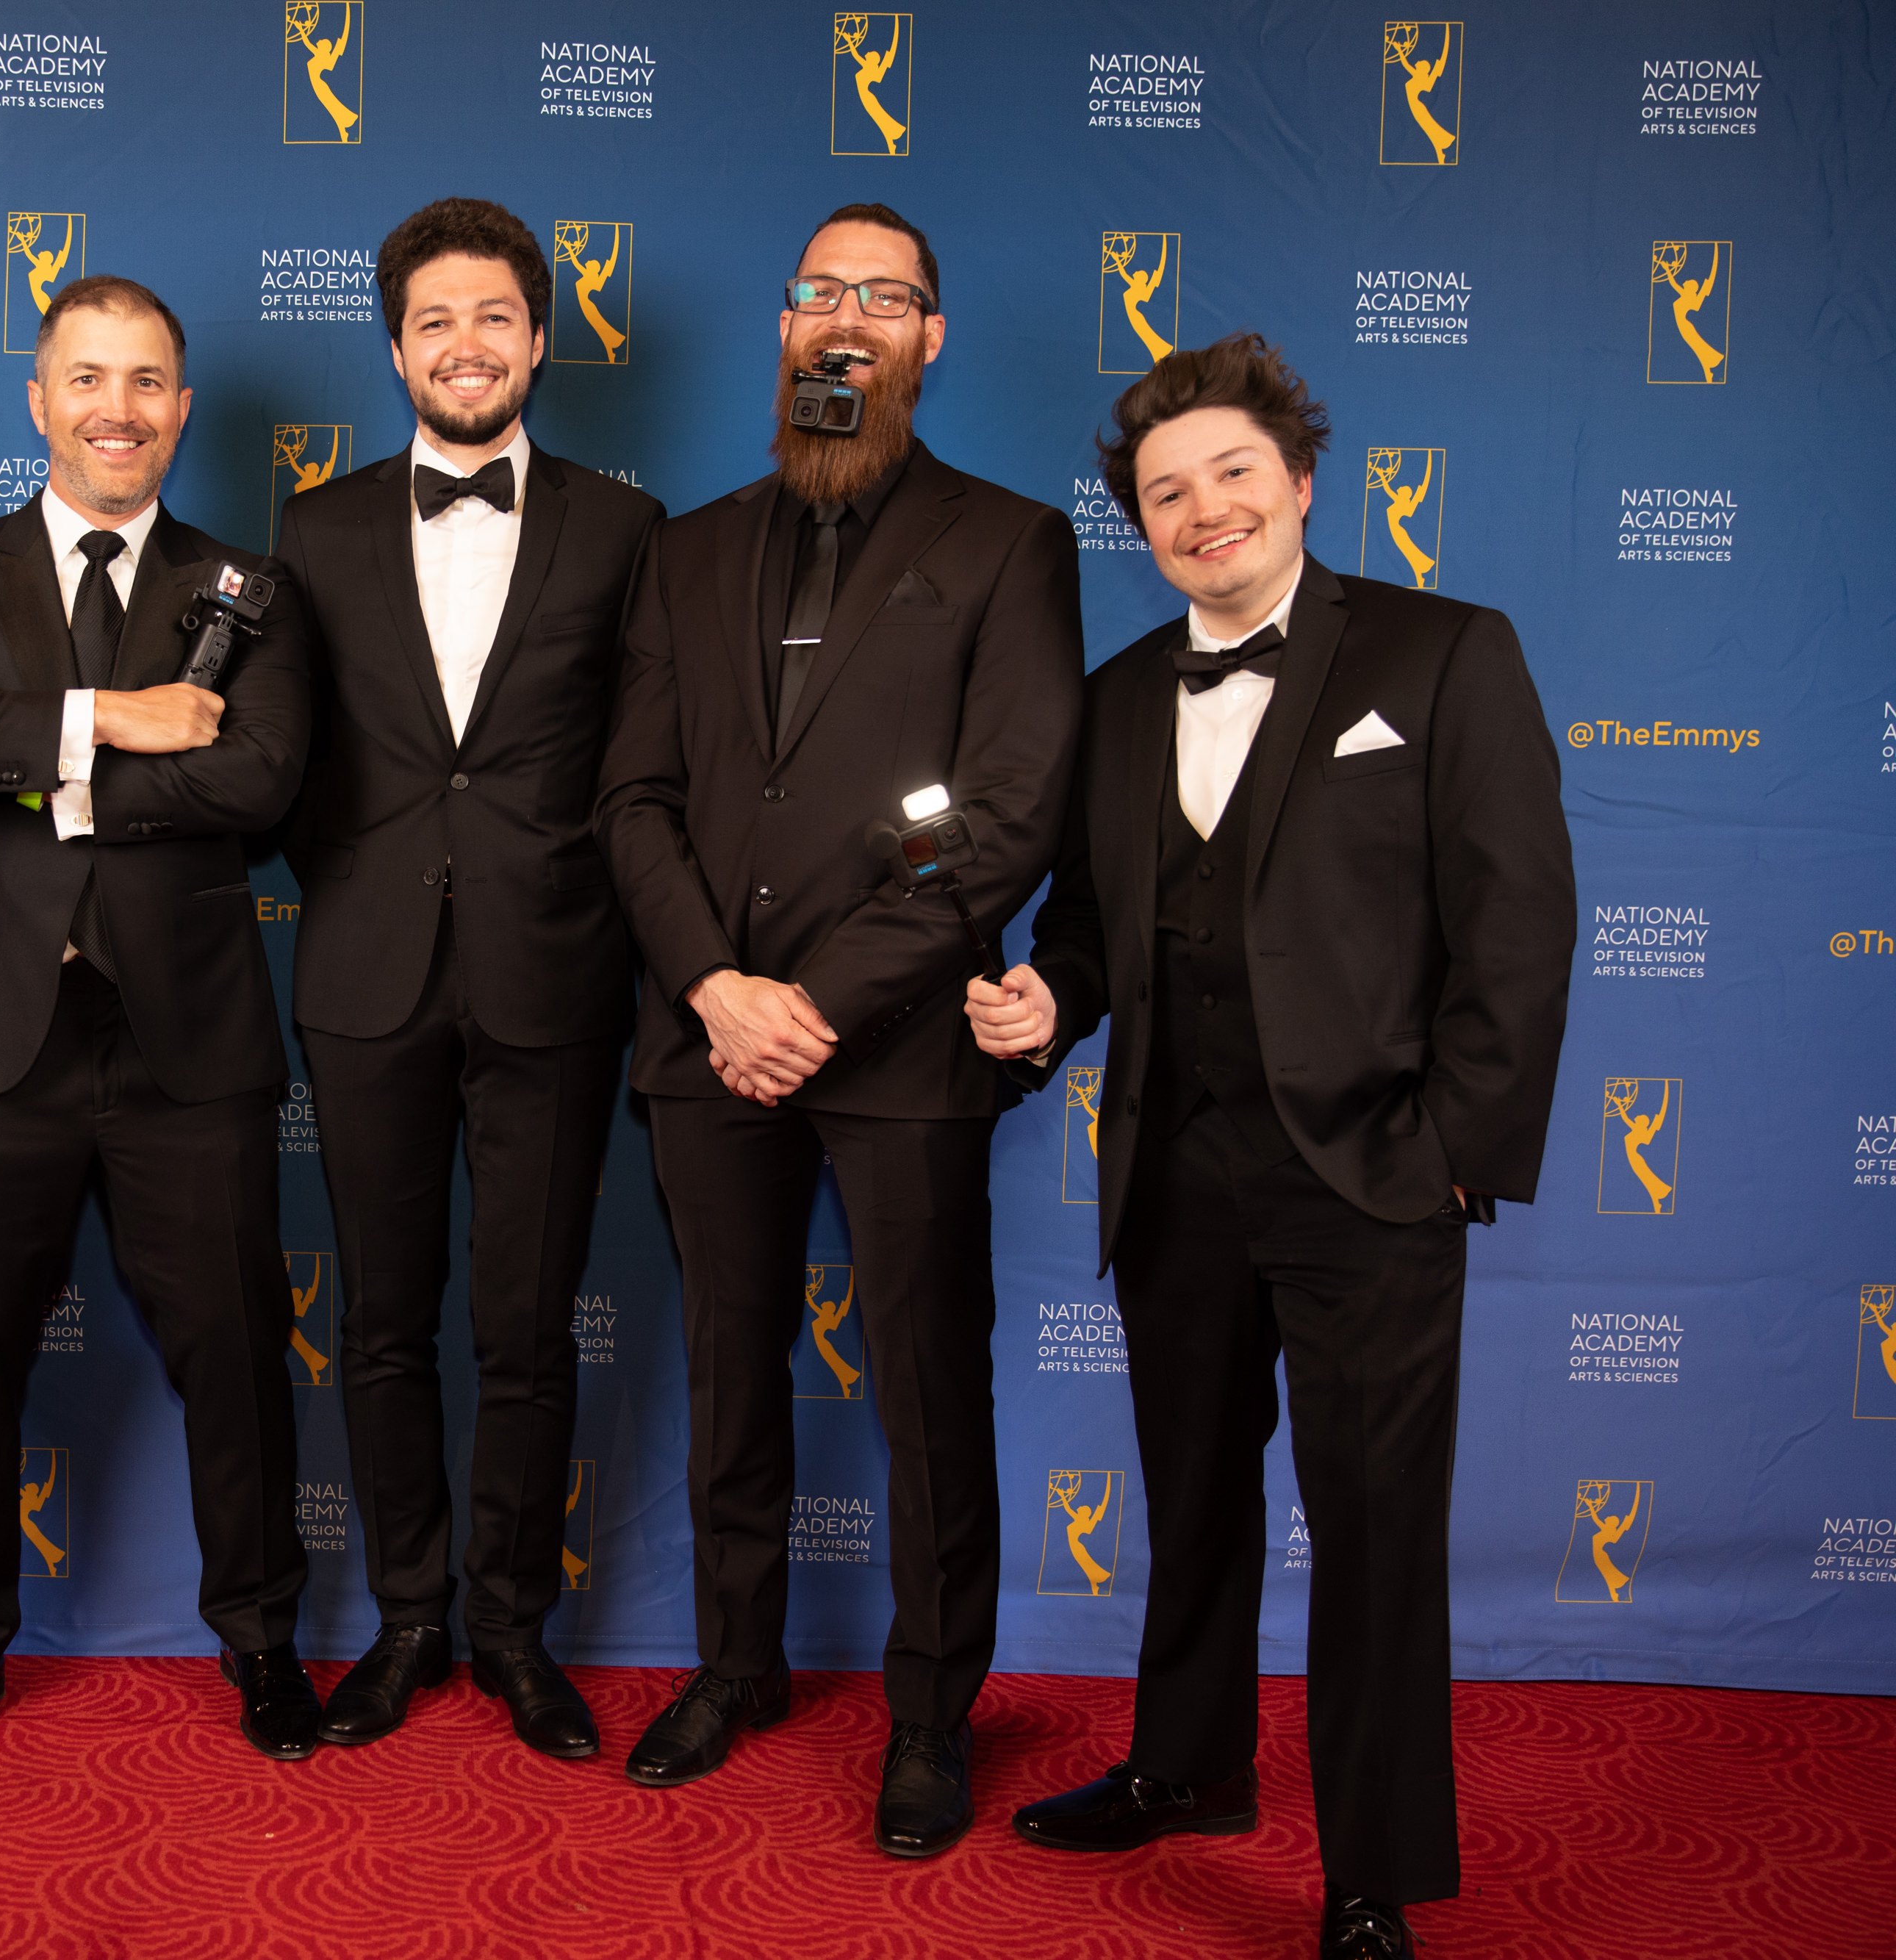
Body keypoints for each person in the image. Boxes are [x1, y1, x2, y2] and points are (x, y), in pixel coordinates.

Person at [965, 332, 1575, 1959]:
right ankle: (1186, 1766)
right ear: (1142, 529)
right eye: (1166, 493)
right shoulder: (1114, 698)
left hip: (1371, 1171)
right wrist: (1049, 999)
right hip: (1173, 1170)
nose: (1202, 510)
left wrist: (1456, 1150)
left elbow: (1517, 921)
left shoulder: (1444, 651)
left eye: (1232, 472)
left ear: (1301, 481)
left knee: (1372, 1531)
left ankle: (1371, 1869)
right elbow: (1091, 921)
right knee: (1192, 1499)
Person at [593, 203, 1083, 1854]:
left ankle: (932, 1712)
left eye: (884, 295)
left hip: (902, 1044)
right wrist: (714, 988)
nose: (847, 318)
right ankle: (736, 1664)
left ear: (929, 336)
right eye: (820, 292)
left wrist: (817, 999)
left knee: (930, 1391)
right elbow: (634, 799)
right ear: (786, 326)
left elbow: (1002, 819)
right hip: (709, 1037)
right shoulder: (687, 549)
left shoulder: (1009, 542)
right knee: (729, 1368)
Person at [0, 275, 319, 1781]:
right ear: (40, 399)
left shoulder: (249, 586)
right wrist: (103, 716)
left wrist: (3, 730)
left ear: (182, 408)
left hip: (189, 1044)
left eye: (148, 381)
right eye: (89, 378)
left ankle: (261, 1636)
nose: (119, 408)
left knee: (238, 1353)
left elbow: (254, 781)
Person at [275, 198, 661, 1760]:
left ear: (540, 338)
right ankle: (406, 1618)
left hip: (551, 973)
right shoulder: (313, 529)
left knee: (526, 1326)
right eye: (434, 320)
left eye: (493, 315)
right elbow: (283, 758)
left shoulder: (625, 531)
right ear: (395, 350)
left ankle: (511, 1626)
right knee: (380, 1322)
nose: (465, 344)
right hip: (365, 974)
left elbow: (643, 764)